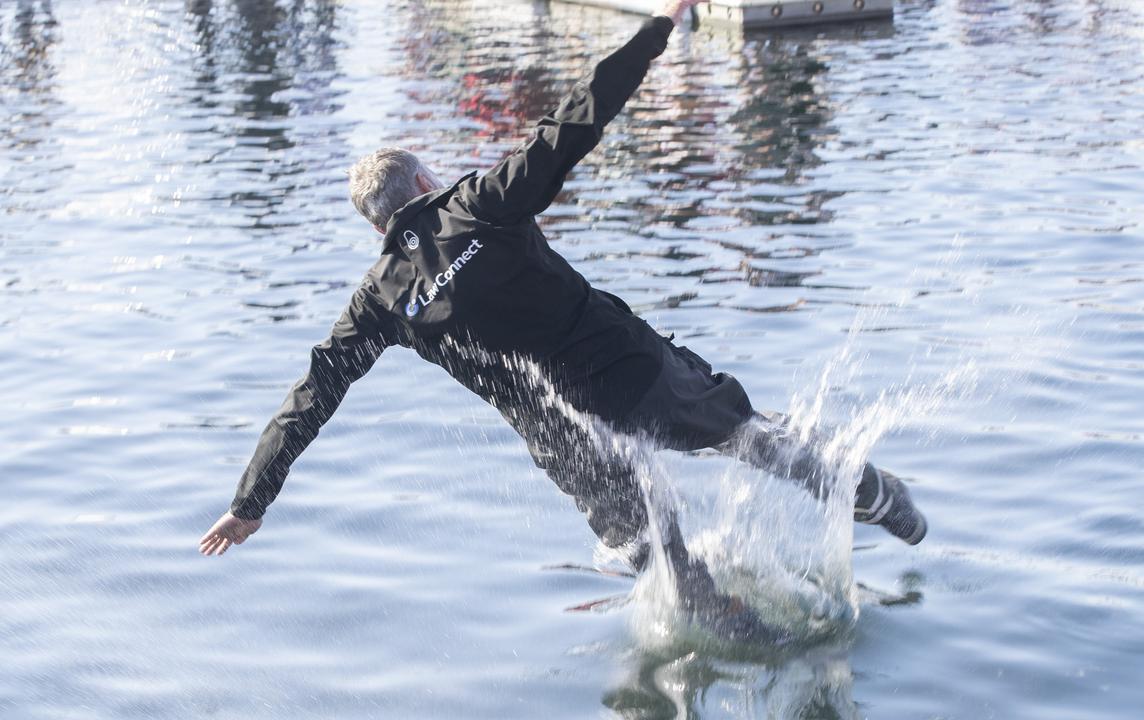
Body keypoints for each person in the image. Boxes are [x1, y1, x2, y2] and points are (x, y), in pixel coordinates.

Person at [198, 0, 926, 638]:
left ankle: (745, 634)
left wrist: (249, 502)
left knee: (662, 561)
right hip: (632, 373)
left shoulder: (382, 299)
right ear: (423, 181)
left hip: (564, 438)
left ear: (378, 227)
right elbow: (578, 116)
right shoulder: (477, 201)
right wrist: (659, 25)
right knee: (748, 438)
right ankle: (874, 496)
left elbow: (313, 393)